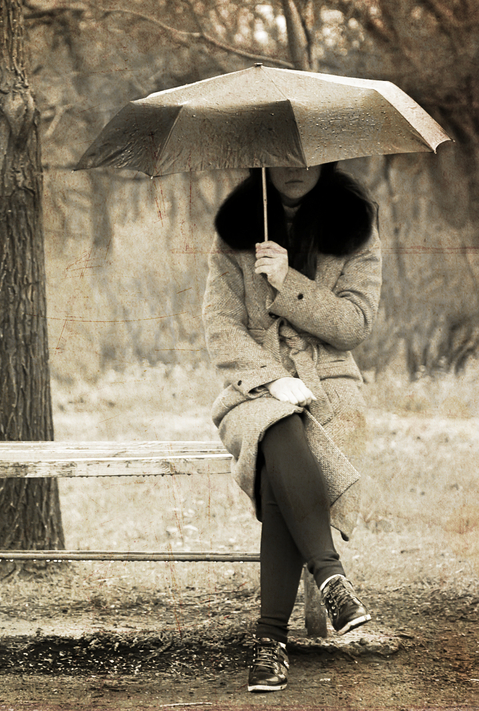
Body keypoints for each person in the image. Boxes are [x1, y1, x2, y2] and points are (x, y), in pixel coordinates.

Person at [202, 163, 381, 693]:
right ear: (261, 159)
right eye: (281, 156)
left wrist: (288, 282)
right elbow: (220, 326)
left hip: (331, 385)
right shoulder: (237, 228)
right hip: (252, 388)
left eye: (307, 158)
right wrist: (272, 379)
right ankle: (331, 575)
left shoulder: (354, 225)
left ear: (325, 159)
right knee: (276, 426)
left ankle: (269, 641)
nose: (296, 169)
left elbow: (354, 326)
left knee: (283, 466)